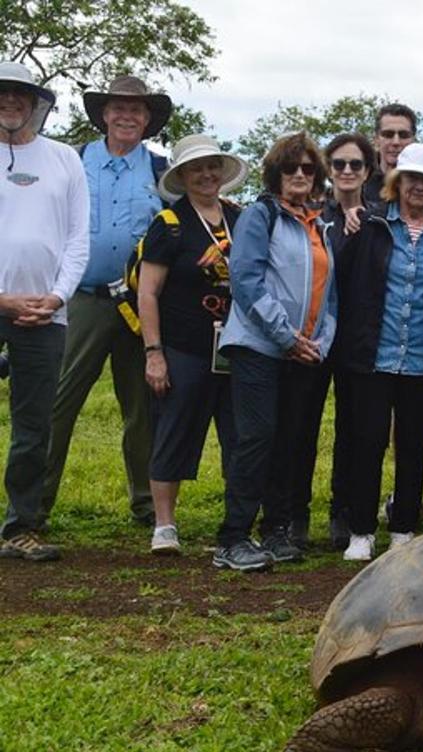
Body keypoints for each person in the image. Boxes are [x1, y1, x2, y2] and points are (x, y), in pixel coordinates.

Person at [40, 75, 173, 530]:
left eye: (136, 110)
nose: (126, 116)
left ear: (148, 119)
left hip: (140, 306)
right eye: (118, 108)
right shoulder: (73, 161)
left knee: (141, 407)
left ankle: (145, 505)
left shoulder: (160, 171)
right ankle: (33, 505)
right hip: (82, 300)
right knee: (59, 400)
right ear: (103, 114)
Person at [213, 132, 336, 572]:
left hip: (303, 353)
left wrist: (321, 341)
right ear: (275, 174)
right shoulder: (259, 217)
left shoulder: (317, 224)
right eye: (290, 168)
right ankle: (232, 537)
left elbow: (330, 293)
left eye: (307, 168)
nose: (300, 175)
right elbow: (246, 281)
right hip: (259, 348)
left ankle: (276, 530)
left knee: (290, 441)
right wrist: (286, 337)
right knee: (256, 438)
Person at [334, 143, 423, 561]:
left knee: (412, 447)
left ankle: (403, 528)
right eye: (411, 178)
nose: (417, 187)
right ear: (396, 182)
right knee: (367, 444)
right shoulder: (369, 225)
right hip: (373, 355)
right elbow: (346, 282)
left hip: (422, 357)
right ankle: (362, 531)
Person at [136, 135, 249, 555]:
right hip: (183, 347)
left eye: (212, 166)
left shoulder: (240, 219)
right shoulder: (169, 223)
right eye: (196, 169)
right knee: (175, 430)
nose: (206, 175)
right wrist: (154, 353)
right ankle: (165, 525)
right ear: (182, 177)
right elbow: (148, 292)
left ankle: (236, 523)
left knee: (240, 438)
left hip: (235, 348)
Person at [0, 63, 88, 562]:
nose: (11, 102)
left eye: (21, 94)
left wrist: (56, 297)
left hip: (45, 313)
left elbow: (78, 238)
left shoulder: (63, 159)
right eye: (3, 94)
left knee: (34, 425)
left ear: (37, 101)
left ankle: (21, 526)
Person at [283, 132, 377, 553]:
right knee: (299, 427)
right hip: (314, 339)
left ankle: (344, 513)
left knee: (354, 431)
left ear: (368, 171)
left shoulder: (380, 219)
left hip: (359, 340)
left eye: (355, 164)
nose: (346, 172)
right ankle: (294, 515)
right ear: (329, 170)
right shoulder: (312, 217)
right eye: (338, 164)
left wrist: (364, 231)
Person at [362, 103, 417, 205]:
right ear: (376, 140)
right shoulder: (359, 185)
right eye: (388, 135)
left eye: (403, 135)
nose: (396, 142)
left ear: (413, 140)